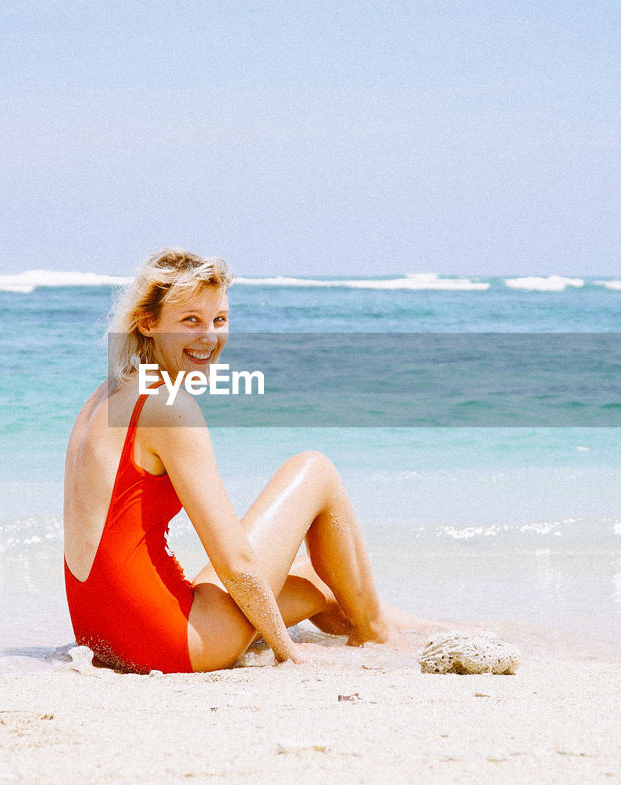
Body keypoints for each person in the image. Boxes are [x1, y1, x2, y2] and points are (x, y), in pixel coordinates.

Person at [63, 248, 415, 673]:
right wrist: (288, 652)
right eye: (190, 320)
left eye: (219, 320)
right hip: (171, 642)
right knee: (315, 468)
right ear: (148, 322)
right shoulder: (168, 405)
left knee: (319, 580)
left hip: (102, 637)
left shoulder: (104, 395)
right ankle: (378, 634)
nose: (209, 337)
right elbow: (236, 563)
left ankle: (408, 627)